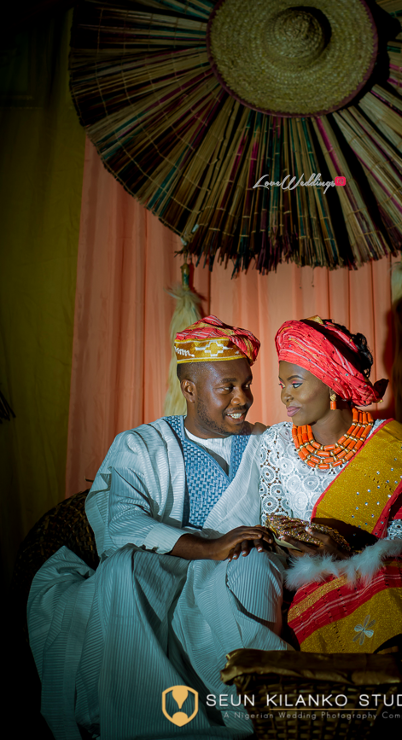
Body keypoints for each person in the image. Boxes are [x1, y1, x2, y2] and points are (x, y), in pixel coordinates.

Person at [27, 316, 288, 740]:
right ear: (189, 389)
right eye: (228, 387)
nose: (244, 398)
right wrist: (208, 547)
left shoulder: (268, 443)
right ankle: (145, 726)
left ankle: (249, 719)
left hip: (232, 565)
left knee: (256, 568)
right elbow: (122, 523)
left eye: (247, 384)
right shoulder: (141, 444)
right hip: (164, 563)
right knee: (122, 569)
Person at [258, 316, 402, 658]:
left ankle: (394, 692)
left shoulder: (397, 448)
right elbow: (276, 521)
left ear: (331, 382)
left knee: (389, 576)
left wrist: (346, 548)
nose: (285, 395)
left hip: (386, 576)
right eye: (282, 384)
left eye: (294, 383)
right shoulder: (275, 443)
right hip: (303, 580)